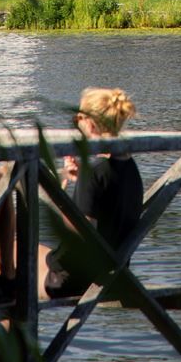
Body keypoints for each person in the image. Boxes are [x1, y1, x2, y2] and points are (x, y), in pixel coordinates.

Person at [42, 87, 142, 306]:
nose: (76, 124)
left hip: (74, 280)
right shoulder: (129, 166)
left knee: (16, 255)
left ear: (90, 123)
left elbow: (76, 235)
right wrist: (79, 179)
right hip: (115, 272)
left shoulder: (94, 173)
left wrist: (58, 192)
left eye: (78, 118)